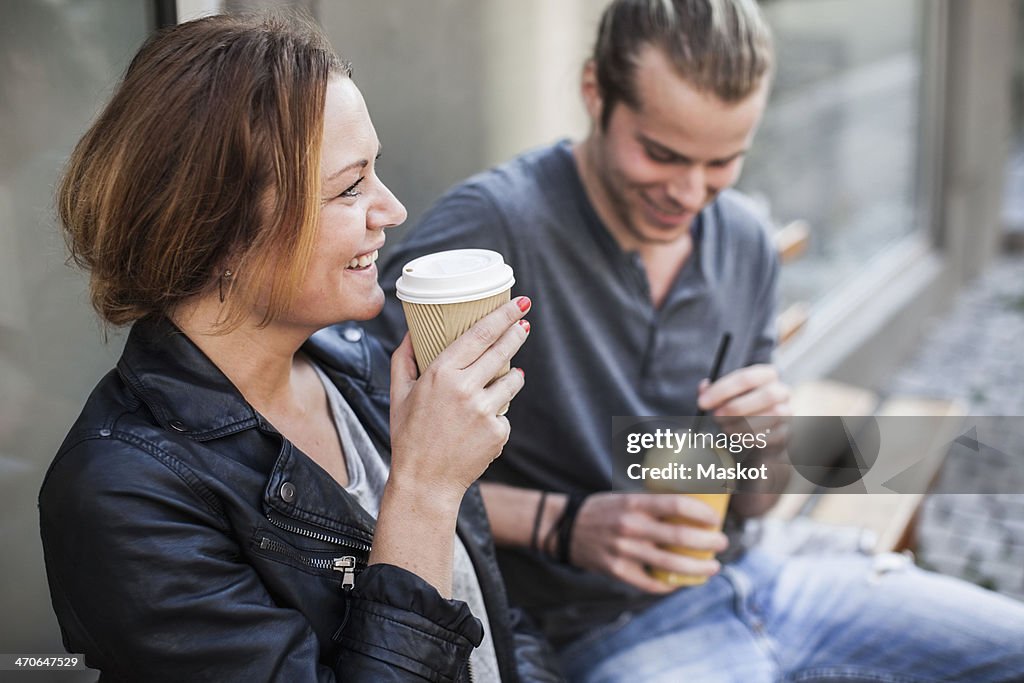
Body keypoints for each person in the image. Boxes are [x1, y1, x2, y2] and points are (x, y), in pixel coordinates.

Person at [367, 0, 1024, 681]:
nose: (688, 193)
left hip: (769, 575)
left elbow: (750, 498)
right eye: (661, 153)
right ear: (595, 92)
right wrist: (560, 524)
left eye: (723, 162)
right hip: (604, 633)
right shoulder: (493, 227)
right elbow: (368, 461)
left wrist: (763, 444)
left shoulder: (742, 240)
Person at [38, 13, 563, 682]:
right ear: (219, 230)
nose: (393, 209)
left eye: (376, 171)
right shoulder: (123, 499)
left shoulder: (364, 364)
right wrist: (425, 489)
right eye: (350, 187)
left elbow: (490, 617)